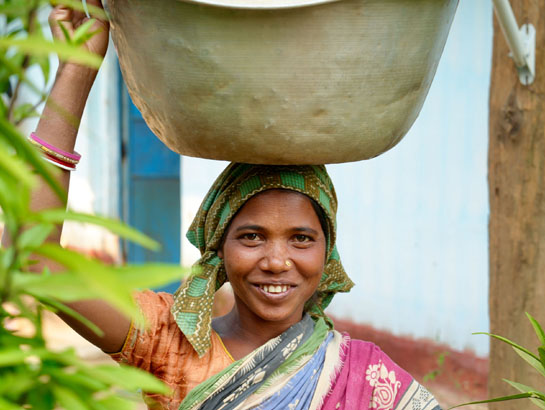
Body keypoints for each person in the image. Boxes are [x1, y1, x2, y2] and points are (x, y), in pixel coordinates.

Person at [30, 3, 442, 409]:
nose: (277, 261)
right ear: (218, 247)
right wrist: (76, 69)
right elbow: (34, 260)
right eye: (251, 237)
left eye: (301, 238)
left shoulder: (364, 378)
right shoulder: (167, 345)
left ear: (327, 251)